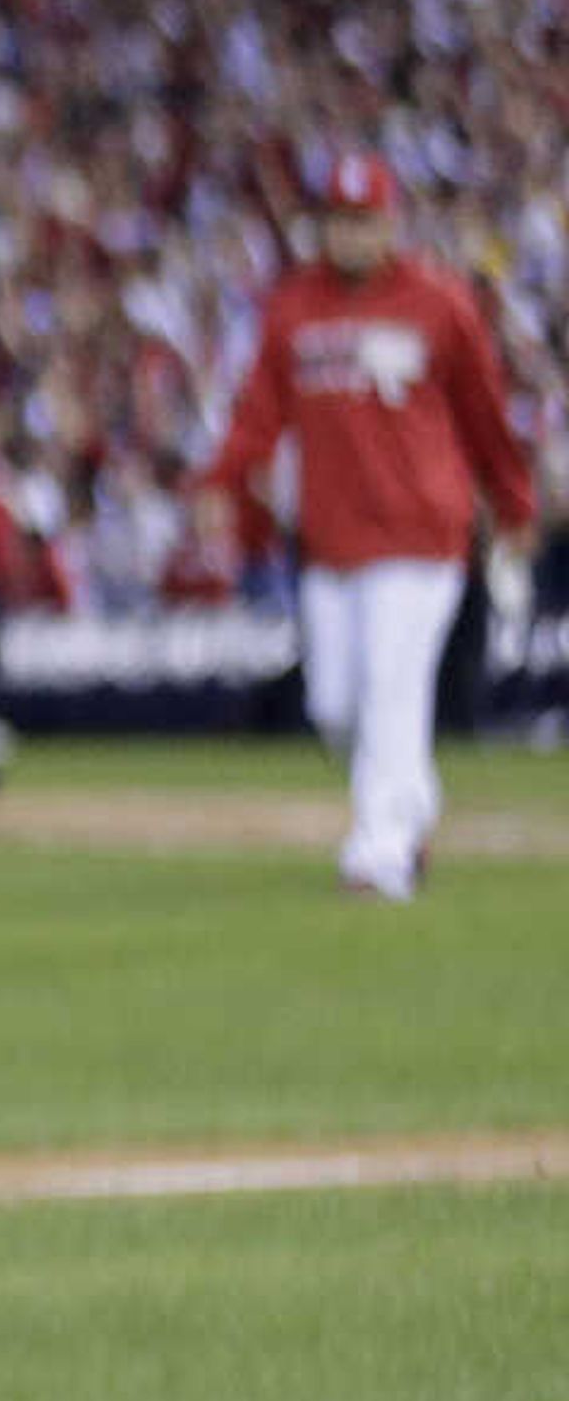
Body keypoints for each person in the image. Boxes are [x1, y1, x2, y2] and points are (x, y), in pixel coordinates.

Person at [197, 152, 540, 900]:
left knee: (391, 685)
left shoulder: (440, 301)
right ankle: (410, 800)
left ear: (389, 222)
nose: (350, 235)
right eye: (338, 221)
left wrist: (514, 503)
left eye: (363, 220)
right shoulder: (294, 305)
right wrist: (220, 478)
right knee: (333, 704)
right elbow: (259, 410)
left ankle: (379, 854)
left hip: (423, 531)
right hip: (330, 538)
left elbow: (484, 414)